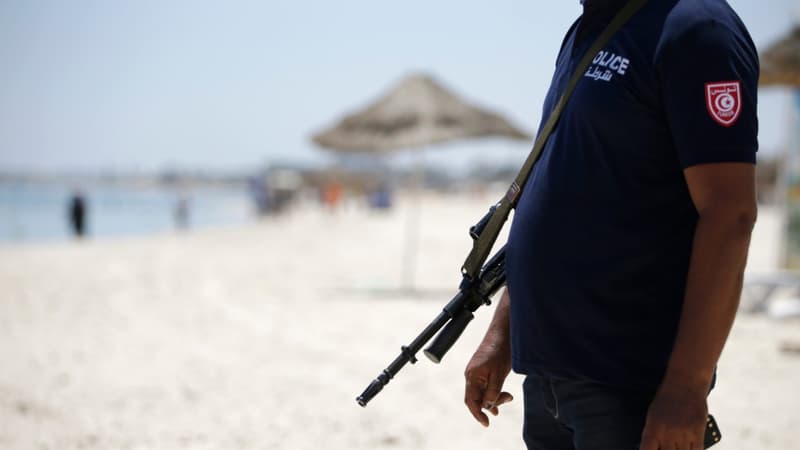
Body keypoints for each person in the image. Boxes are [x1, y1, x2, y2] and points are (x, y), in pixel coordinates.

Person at [463, 1, 759, 449]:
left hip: (628, 382)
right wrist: (503, 333)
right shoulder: (587, 30)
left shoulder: (696, 27)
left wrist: (687, 387)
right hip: (547, 375)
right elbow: (561, 193)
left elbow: (730, 213)